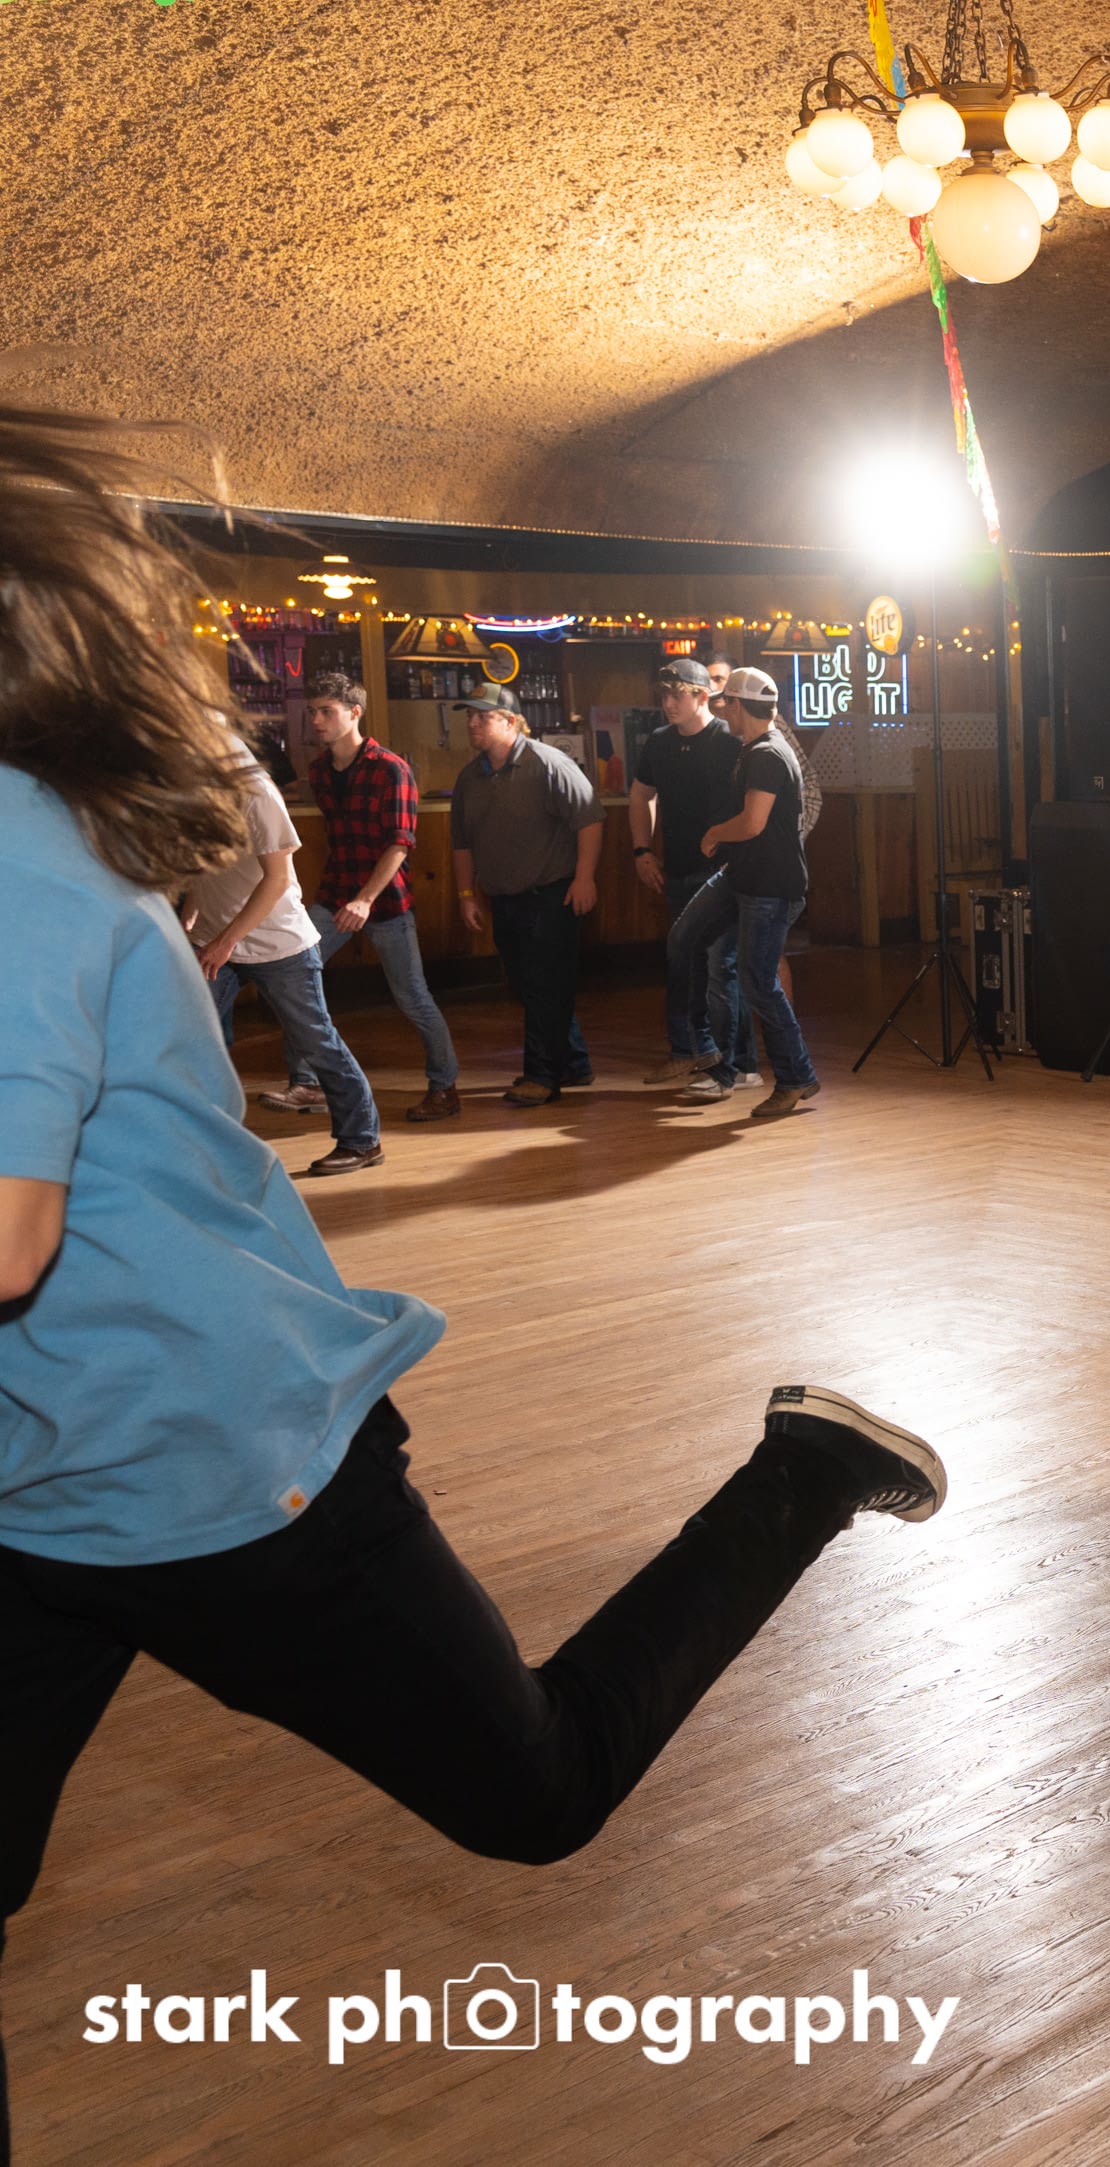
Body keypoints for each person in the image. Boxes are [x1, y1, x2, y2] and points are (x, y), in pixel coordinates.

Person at [0, 406, 948, 2158]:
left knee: (540, 1786)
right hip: (45, 1477)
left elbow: (8, 1236)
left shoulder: (8, 856)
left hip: (230, 1463)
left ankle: (802, 1473)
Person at [269, 670, 462, 1125]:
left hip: (385, 901)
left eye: (326, 711)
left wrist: (365, 899)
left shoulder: (391, 768)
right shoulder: (319, 771)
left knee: (412, 997)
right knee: (293, 976)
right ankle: (307, 1083)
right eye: (312, 711)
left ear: (354, 713)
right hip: (335, 892)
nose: (316, 720)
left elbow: (399, 844)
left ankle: (444, 1088)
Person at [188, 740, 385, 1179]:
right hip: (214, 941)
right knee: (196, 1043)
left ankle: (361, 1139)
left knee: (317, 1043)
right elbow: (205, 870)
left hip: (278, 944)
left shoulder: (256, 793)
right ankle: (207, 1146)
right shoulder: (194, 792)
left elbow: (276, 881)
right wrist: (189, 918)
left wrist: (224, 942)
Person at [447, 683, 603, 1107]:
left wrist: (584, 878)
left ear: (511, 722)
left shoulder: (548, 763)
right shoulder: (470, 777)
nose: (472, 724)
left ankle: (541, 1076)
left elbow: (589, 820)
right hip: (504, 898)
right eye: (469, 716)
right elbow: (461, 843)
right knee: (527, 985)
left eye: (482, 717)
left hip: (550, 894)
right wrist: (466, 894)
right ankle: (572, 1063)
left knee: (543, 987)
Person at [690, 674, 820, 1121]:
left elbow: (752, 823)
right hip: (754, 882)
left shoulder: (766, 754)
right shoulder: (761, 748)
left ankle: (795, 1076)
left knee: (759, 983)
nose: (721, 710)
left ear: (738, 705)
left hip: (770, 887)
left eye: (725, 702)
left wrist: (714, 833)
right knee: (709, 953)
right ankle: (742, 1063)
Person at [631, 657, 754, 1089]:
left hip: (720, 870)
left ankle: (737, 1065)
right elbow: (641, 794)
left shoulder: (729, 741)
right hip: (678, 867)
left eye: (677, 695)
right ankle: (689, 1054)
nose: (668, 704)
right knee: (683, 963)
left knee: (721, 967)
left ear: (703, 696)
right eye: (664, 695)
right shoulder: (659, 741)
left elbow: (753, 805)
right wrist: (642, 849)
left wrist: (739, 856)